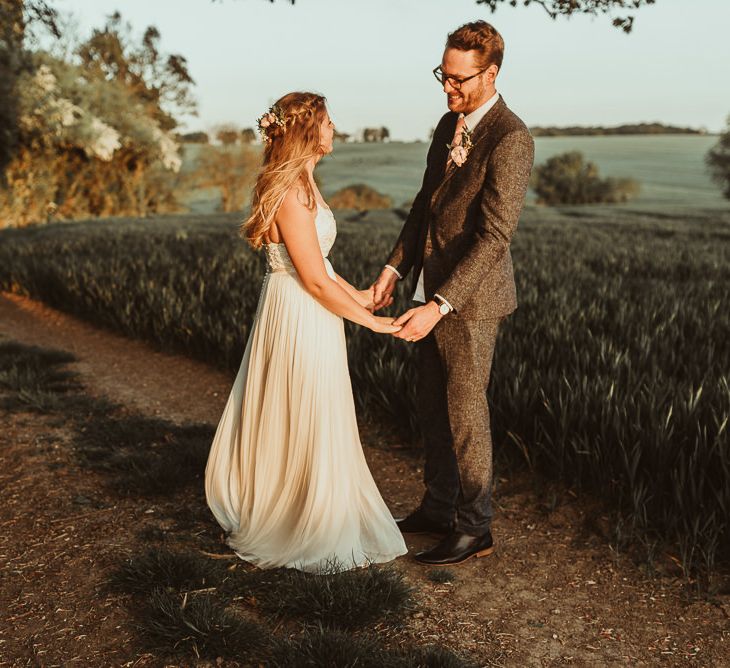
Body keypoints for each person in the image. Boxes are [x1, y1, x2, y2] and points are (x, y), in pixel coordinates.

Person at [205, 91, 408, 572]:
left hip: (306, 304)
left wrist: (359, 295)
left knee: (310, 406)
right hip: (298, 313)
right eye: (328, 120)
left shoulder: (303, 184)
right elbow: (313, 280)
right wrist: (372, 322)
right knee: (307, 404)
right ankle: (302, 519)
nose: (334, 127)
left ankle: (312, 505)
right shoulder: (292, 193)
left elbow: (320, 267)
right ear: (308, 130)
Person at [371, 21, 535, 566]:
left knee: (466, 413)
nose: (448, 89)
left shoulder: (511, 138)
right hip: (424, 285)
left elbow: (494, 237)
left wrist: (441, 304)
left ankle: (474, 526)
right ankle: (438, 507)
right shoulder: (448, 124)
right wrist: (395, 267)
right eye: (443, 75)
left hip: (469, 300)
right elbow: (424, 204)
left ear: (491, 74)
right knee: (431, 408)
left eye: (460, 80)